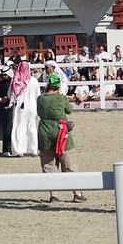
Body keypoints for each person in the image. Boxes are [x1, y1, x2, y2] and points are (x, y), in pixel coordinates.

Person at [37, 73, 86, 203]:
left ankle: (53, 194)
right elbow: (69, 110)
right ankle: (77, 193)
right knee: (69, 162)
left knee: (49, 164)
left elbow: (39, 113)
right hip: (60, 131)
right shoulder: (60, 98)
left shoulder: (40, 98)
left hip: (44, 132)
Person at [9, 61, 41, 156]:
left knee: (19, 127)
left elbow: (10, 94)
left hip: (20, 107)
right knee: (32, 127)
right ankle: (33, 149)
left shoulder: (15, 80)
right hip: (32, 107)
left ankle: (19, 150)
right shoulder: (34, 80)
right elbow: (38, 95)